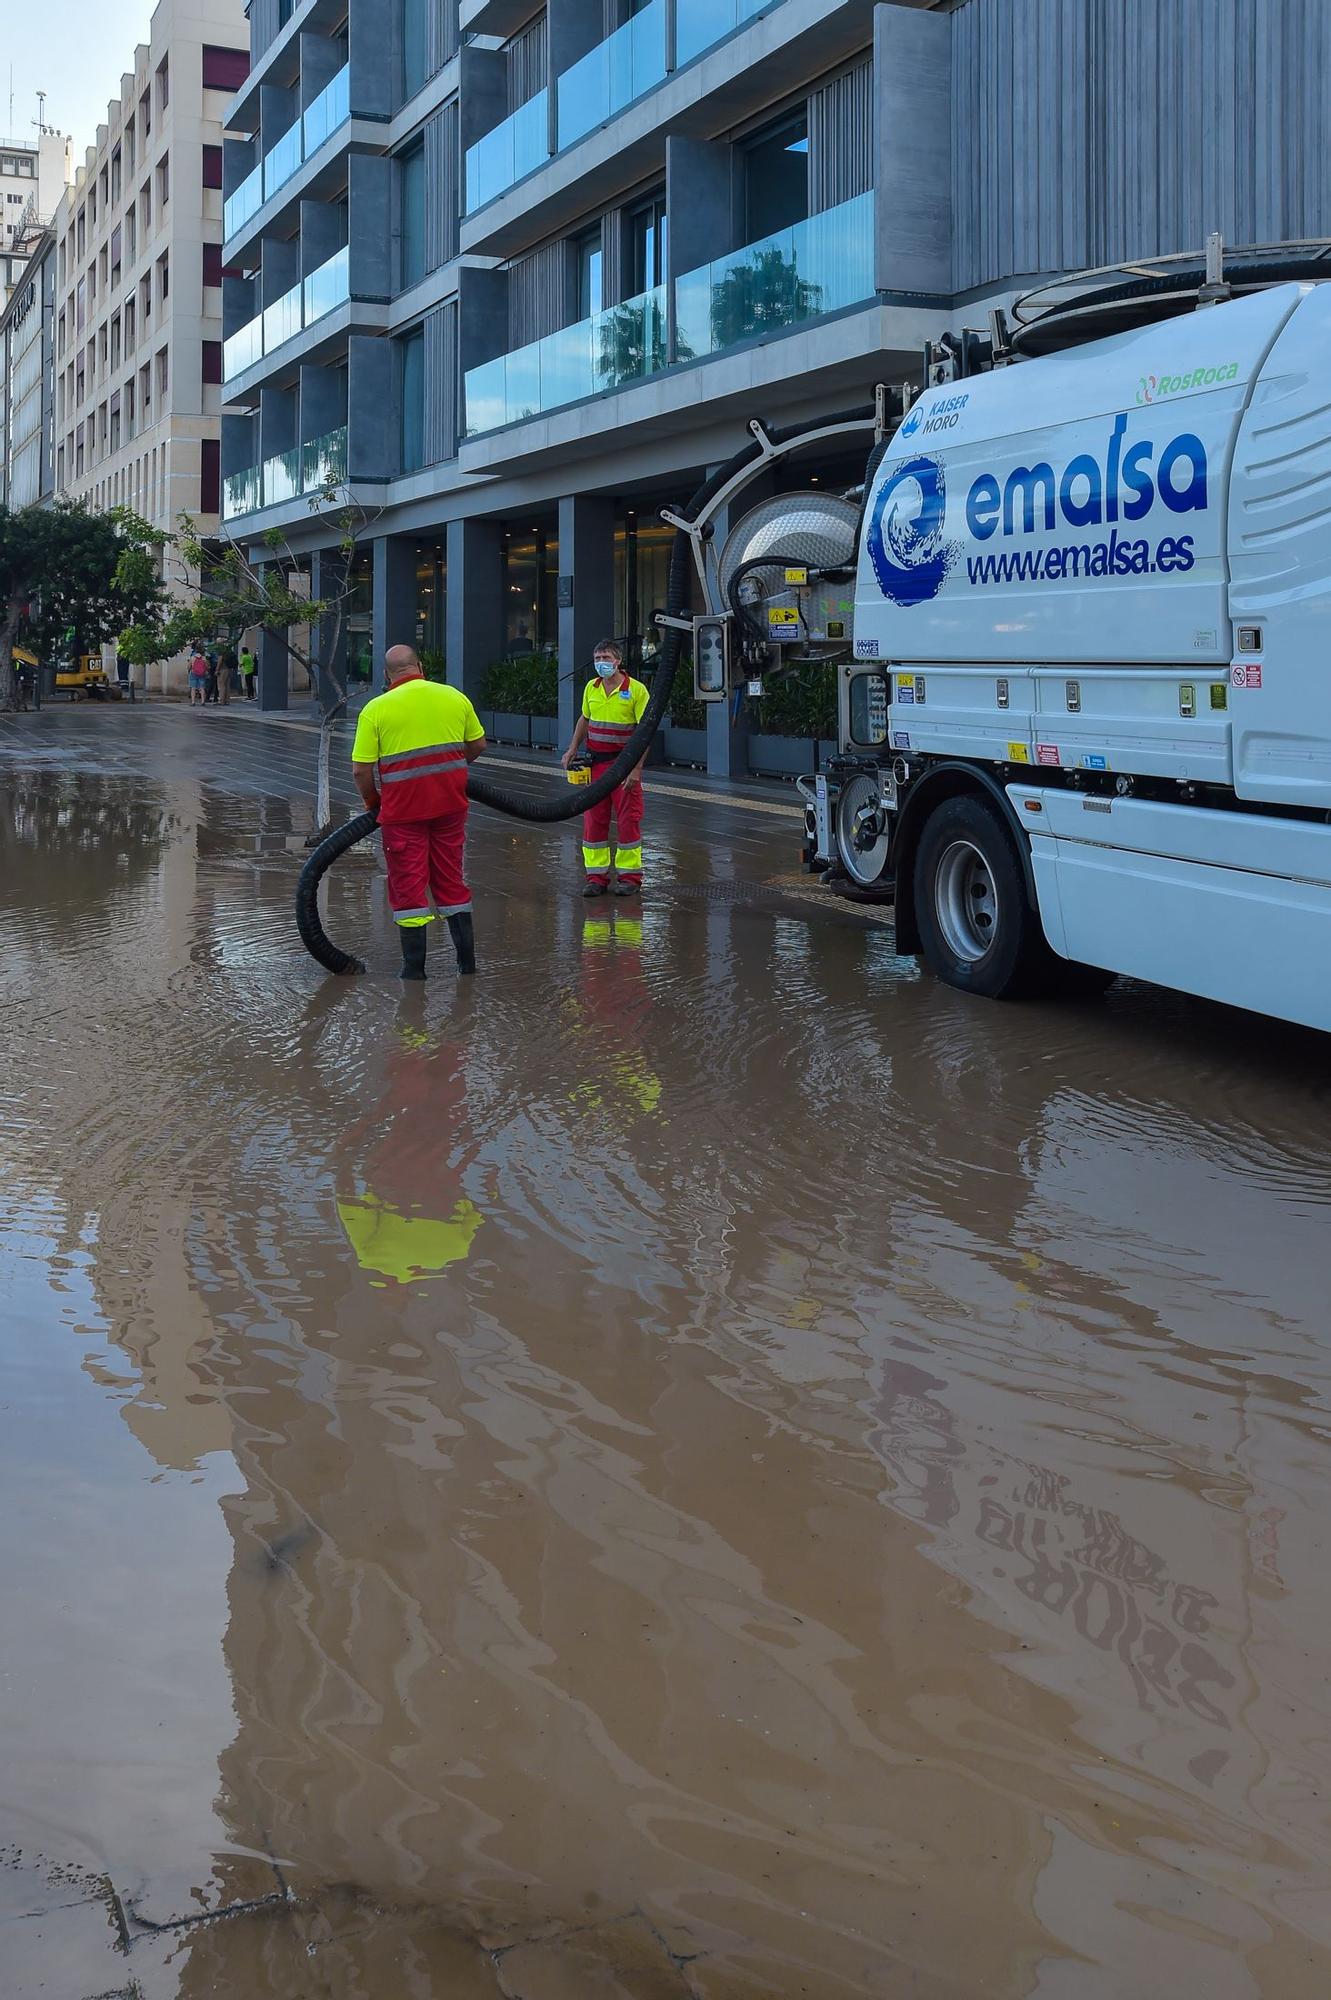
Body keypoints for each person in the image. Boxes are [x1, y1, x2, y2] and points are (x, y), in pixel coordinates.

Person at [351, 644, 487, 979]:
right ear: (420, 666)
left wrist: (372, 803)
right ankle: (467, 967)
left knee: (409, 888)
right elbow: (478, 745)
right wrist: (450, 770)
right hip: (450, 807)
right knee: (451, 881)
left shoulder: (376, 709)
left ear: (387, 674)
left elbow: (360, 770)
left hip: (402, 815)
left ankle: (414, 973)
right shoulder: (454, 697)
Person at [561, 638, 648, 897]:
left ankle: (629, 878)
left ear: (618, 661)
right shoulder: (592, 687)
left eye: (606, 658)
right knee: (593, 821)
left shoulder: (637, 690)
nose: (601, 663)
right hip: (596, 764)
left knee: (628, 820)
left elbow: (645, 734)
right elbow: (584, 718)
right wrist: (573, 748)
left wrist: (636, 771)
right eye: (598, 658)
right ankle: (596, 878)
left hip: (623, 765)